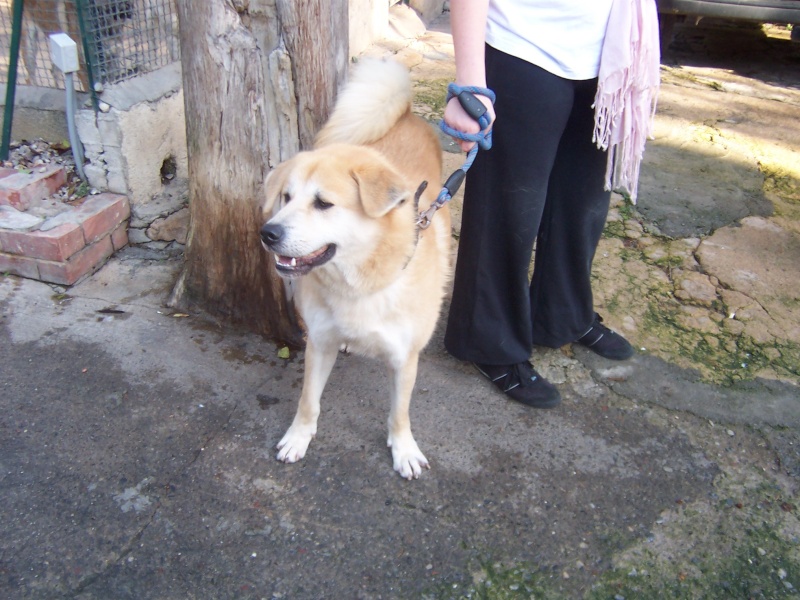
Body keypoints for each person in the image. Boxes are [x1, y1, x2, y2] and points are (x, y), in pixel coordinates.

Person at [442, 0, 659, 409]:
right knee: (509, 211)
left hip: (609, 56)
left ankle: (563, 316)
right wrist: (469, 83)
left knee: (583, 205)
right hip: (522, 45)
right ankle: (490, 341)